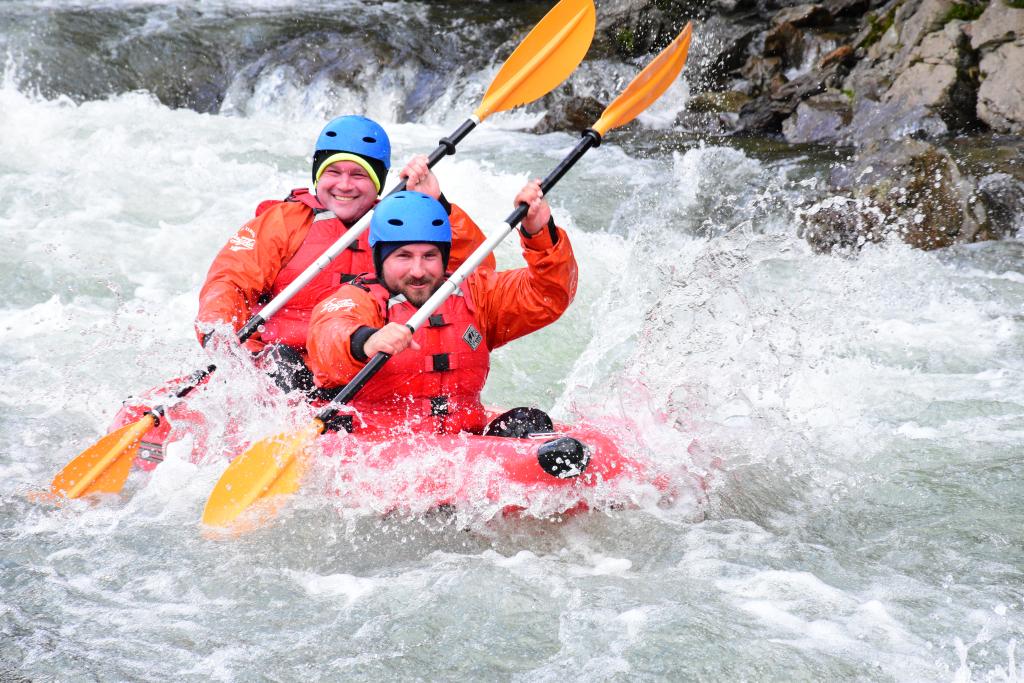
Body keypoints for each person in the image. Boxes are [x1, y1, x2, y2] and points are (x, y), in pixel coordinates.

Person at [194, 115, 495, 395]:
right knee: (281, 365)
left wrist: (436, 204)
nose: (344, 185)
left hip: (366, 365)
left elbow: (474, 274)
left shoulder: (399, 224)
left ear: (378, 181)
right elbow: (229, 281)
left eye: (359, 175)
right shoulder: (284, 222)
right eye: (333, 172)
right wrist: (225, 341)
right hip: (285, 368)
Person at [306, 182, 577, 437]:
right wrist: (366, 341)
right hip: (380, 447)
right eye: (403, 256)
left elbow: (548, 296)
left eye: (430, 256)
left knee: (530, 423)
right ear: (379, 258)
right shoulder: (359, 298)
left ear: (444, 257)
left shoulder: (477, 292)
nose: (418, 270)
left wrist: (540, 233)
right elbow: (329, 335)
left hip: (461, 448)